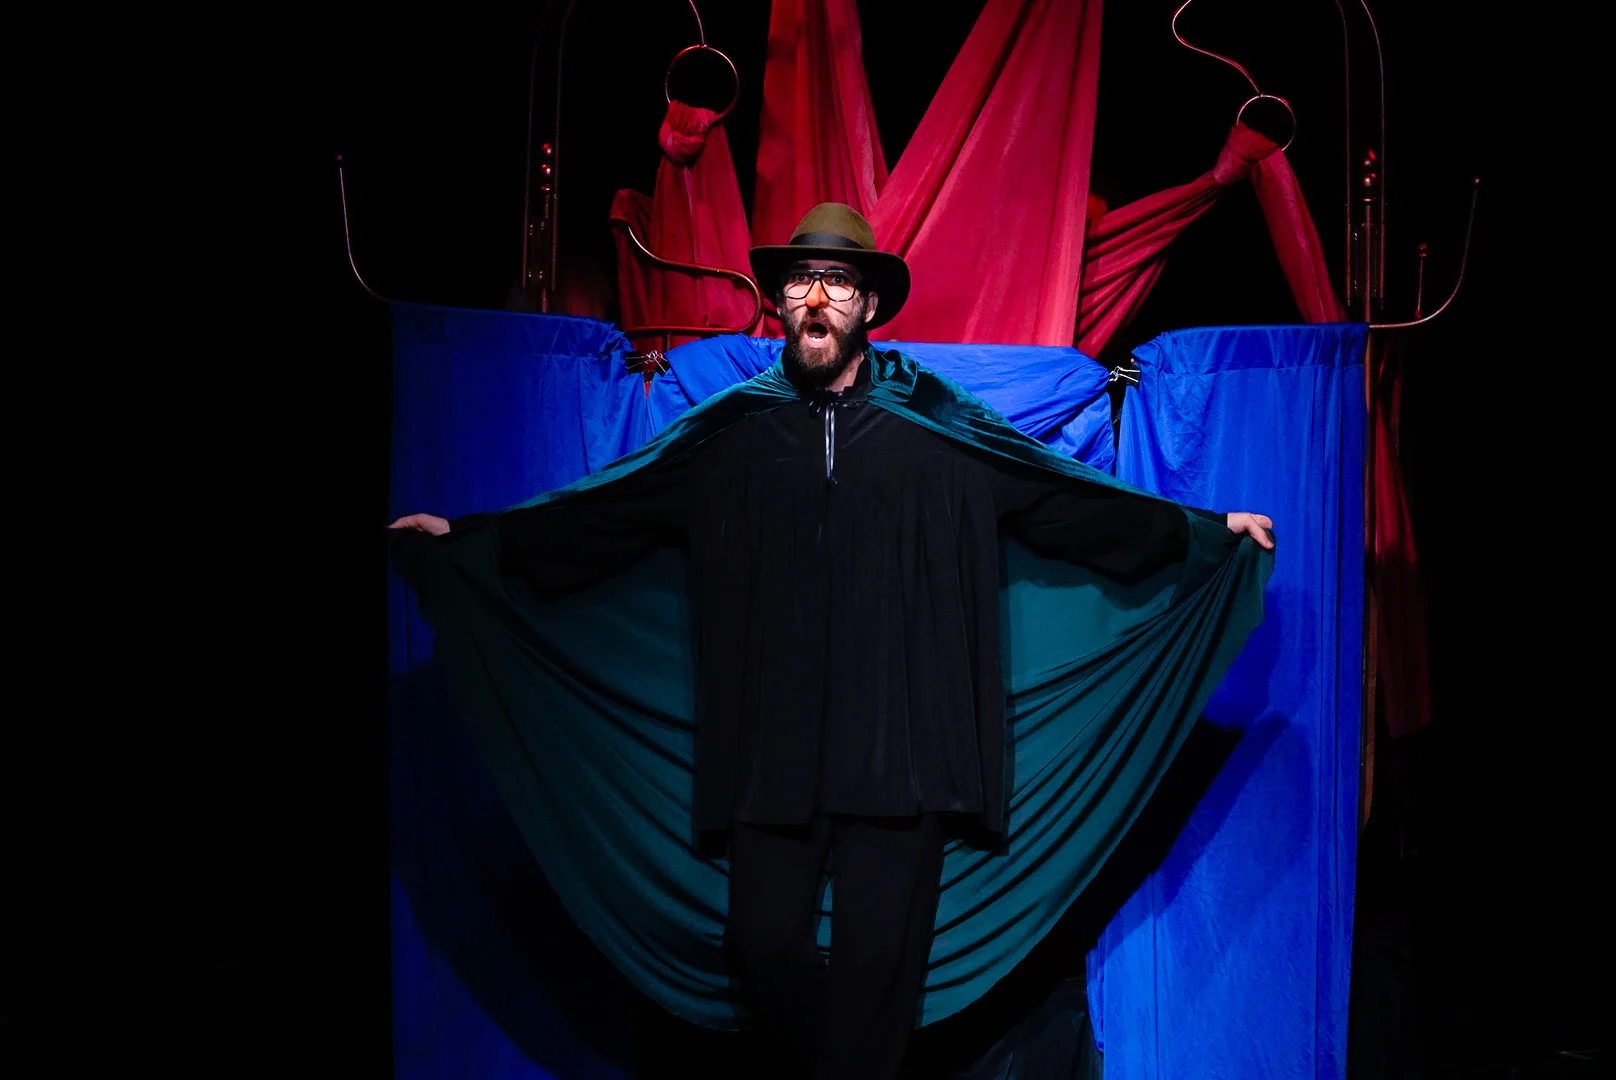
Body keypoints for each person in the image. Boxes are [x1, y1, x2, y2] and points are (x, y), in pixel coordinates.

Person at [391, 203, 1274, 1079]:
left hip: (903, 764)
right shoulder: (730, 438)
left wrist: (1202, 534)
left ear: (869, 306)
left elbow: (1063, 500)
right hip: (774, 762)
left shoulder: (937, 432)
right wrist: (469, 543)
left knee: (876, 980)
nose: (817, 296)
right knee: (761, 947)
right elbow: (607, 513)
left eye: (838, 282)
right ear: (780, 303)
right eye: (802, 281)